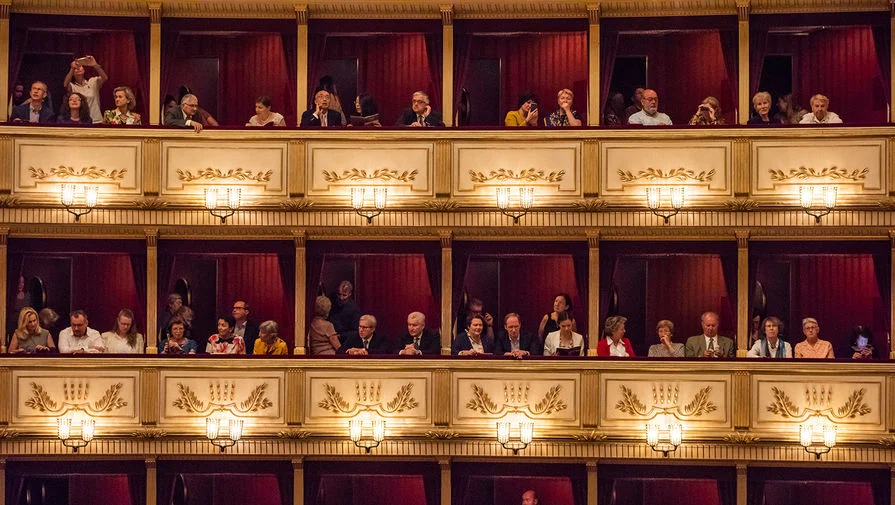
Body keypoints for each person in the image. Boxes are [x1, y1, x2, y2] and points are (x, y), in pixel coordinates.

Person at [63, 55, 107, 123]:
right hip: (82, 121)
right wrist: (72, 68)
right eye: (76, 68)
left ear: (84, 69)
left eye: (80, 66)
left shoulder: (93, 82)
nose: (78, 68)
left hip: (96, 120)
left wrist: (95, 65)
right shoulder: (73, 86)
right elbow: (65, 84)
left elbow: (105, 77)